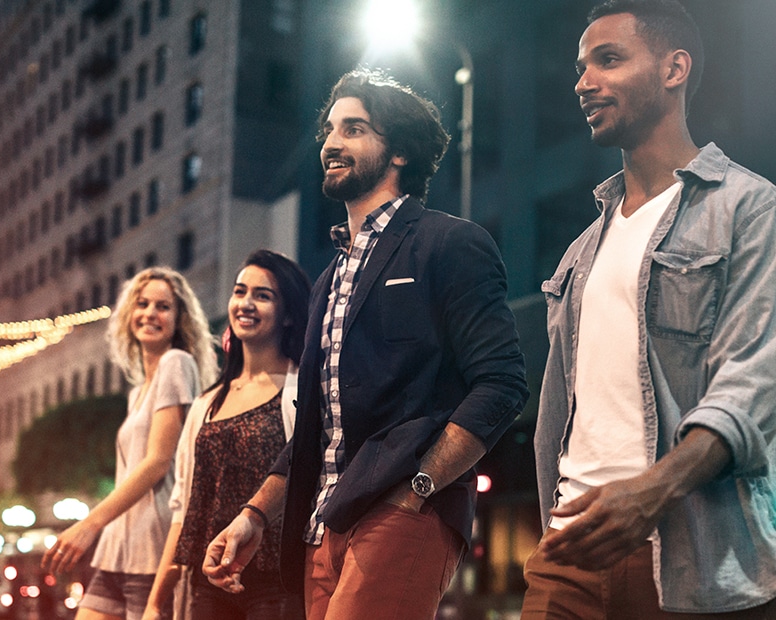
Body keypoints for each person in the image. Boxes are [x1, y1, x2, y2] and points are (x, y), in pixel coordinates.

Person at [202, 68, 529, 619]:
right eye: (330, 129)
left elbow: (502, 383)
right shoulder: (330, 278)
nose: (331, 143)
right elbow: (316, 424)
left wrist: (420, 488)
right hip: (318, 524)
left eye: (354, 129)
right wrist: (253, 516)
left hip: (399, 513)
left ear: (398, 150)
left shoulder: (449, 243)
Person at [521, 0, 776, 617]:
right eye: (581, 66)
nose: (584, 82)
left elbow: (754, 380)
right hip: (569, 551)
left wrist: (652, 491)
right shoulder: (581, 251)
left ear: (674, 68)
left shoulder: (747, 206)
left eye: (608, 60)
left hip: (696, 554)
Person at [42, 266, 217, 620]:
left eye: (163, 306)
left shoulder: (176, 363)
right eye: (142, 303)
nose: (150, 313)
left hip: (152, 550)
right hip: (117, 549)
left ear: (179, 319)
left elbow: (157, 462)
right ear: (129, 313)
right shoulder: (138, 390)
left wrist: (89, 524)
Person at [142, 250, 310, 620]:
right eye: (240, 291)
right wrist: (156, 603)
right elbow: (183, 509)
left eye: (263, 296)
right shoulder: (206, 404)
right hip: (209, 581)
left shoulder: (302, 393)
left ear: (290, 315)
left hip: (278, 583)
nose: (246, 303)